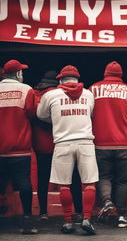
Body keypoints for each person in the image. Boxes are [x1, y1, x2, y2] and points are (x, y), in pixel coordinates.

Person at [37, 65, 98, 235]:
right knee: (89, 184)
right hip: (85, 142)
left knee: (64, 185)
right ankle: (86, 218)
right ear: (77, 79)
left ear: (61, 79)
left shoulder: (50, 95)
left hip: (63, 143)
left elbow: (40, 114)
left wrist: (57, 119)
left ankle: (68, 221)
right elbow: (90, 113)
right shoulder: (88, 94)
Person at [90, 61, 127, 228]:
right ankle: (122, 215)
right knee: (123, 181)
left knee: (104, 176)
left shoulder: (93, 89)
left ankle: (107, 202)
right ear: (121, 74)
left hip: (101, 142)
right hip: (126, 142)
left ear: (105, 73)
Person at [33, 70, 83, 221]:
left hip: (41, 144)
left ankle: (43, 212)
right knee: (72, 178)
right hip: (62, 142)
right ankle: (78, 210)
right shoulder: (60, 95)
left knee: (43, 178)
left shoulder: (35, 95)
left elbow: (32, 114)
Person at [0, 59, 38, 234]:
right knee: (24, 183)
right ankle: (28, 221)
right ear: (17, 74)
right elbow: (32, 113)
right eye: (21, 72)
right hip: (19, 148)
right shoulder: (26, 90)